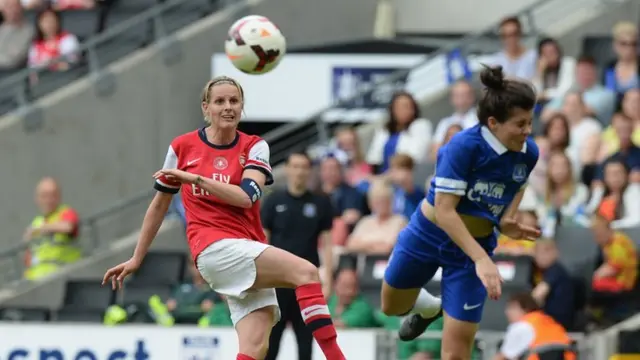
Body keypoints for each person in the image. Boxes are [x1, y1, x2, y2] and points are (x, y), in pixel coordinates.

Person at [102, 76, 346, 360]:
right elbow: (159, 205)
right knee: (306, 272)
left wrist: (195, 178)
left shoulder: (255, 147)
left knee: (255, 347)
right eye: (219, 101)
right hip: (213, 249)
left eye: (234, 101)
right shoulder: (182, 147)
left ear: (242, 107)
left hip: (245, 248)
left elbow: (246, 196)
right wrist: (136, 258)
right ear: (206, 108)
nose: (228, 107)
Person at [380, 65, 540, 360]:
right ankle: (429, 307)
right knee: (392, 306)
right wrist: (482, 260)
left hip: (472, 250)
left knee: (456, 352)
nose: (528, 131)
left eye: (530, 122)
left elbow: (517, 184)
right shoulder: (463, 146)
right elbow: (444, 211)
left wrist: (506, 219)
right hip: (428, 234)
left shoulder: (528, 152)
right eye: (520, 124)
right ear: (493, 123)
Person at [261, 152, 335, 360]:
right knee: (271, 340)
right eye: (295, 166)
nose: (299, 171)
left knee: (306, 340)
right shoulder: (273, 201)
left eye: (304, 166)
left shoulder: (321, 203)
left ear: (310, 170)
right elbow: (262, 241)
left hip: (306, 282)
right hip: (278, 281)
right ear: (287, 169)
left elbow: (327, 243)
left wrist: (328, 277)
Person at [496, 292, 575, 360]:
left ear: (525, 309)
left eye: (512, 308)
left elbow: (503, 356)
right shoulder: (548, 321)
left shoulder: (521, 326)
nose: (507, 312)